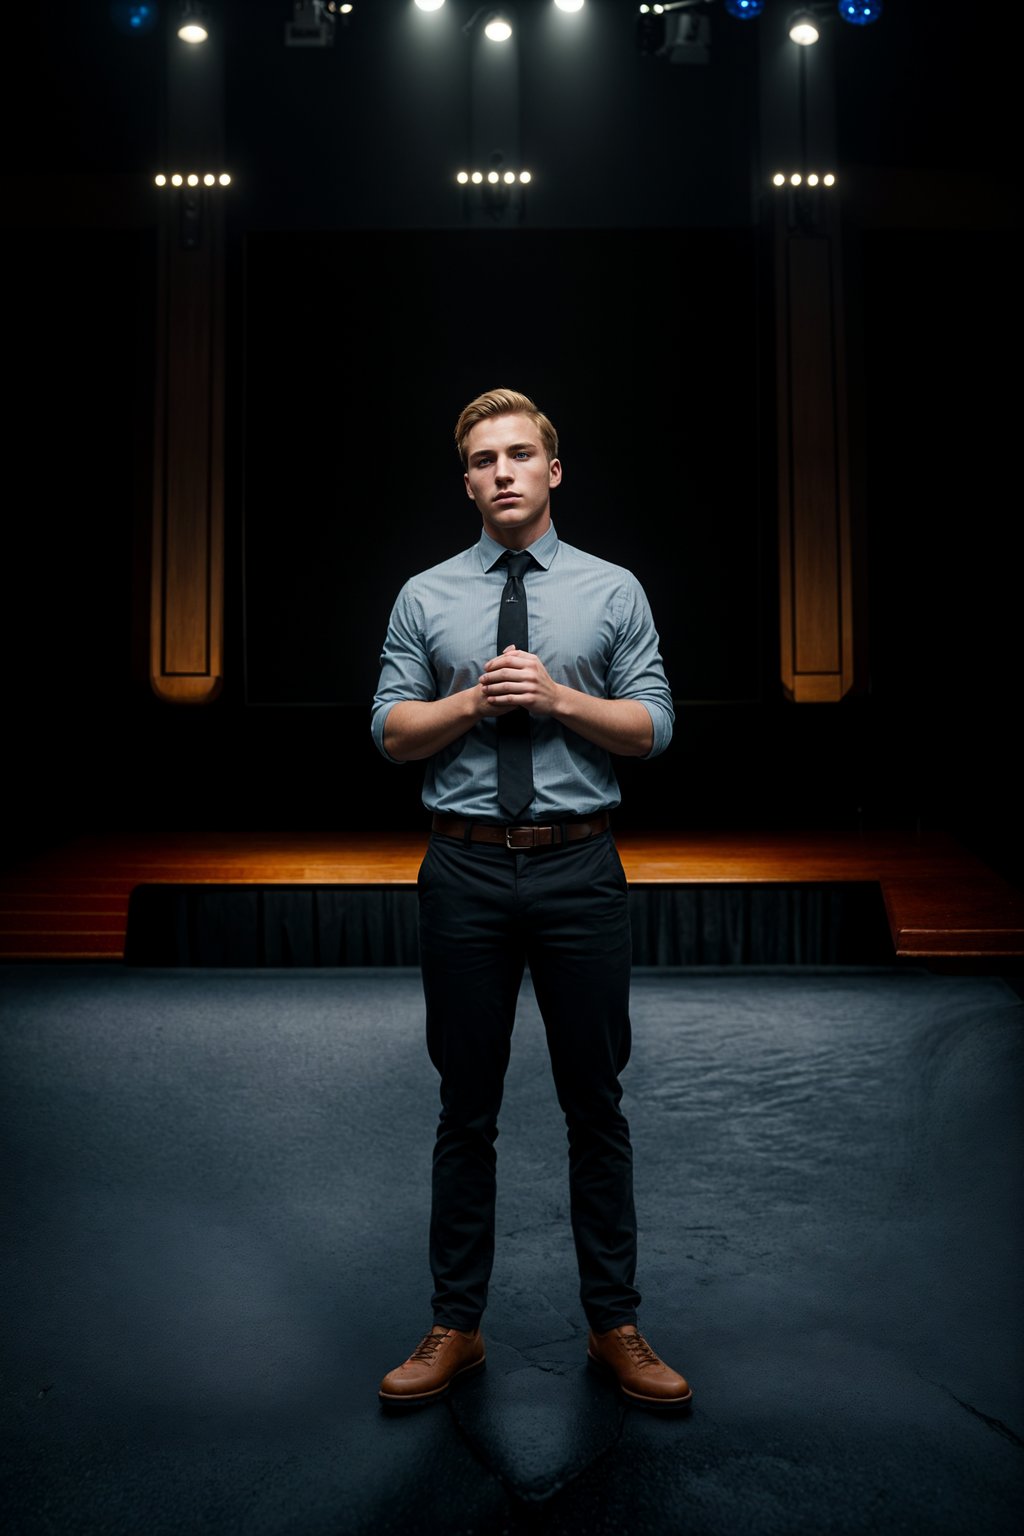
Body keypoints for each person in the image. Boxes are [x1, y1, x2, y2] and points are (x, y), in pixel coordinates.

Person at [371, 387, 691, 1411]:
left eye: (518, 454)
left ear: (554, 471)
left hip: (578, 868)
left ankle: (616, 1327)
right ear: (464, 480)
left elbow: (652, 729)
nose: (501, 470)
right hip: (462, 871)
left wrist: (554, 698)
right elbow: (388, 731)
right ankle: (453, 1328)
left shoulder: (613, 590)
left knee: (595, 1107)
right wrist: (472, 699)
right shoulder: (425, 596)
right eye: (481, 458)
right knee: (464, 1111)